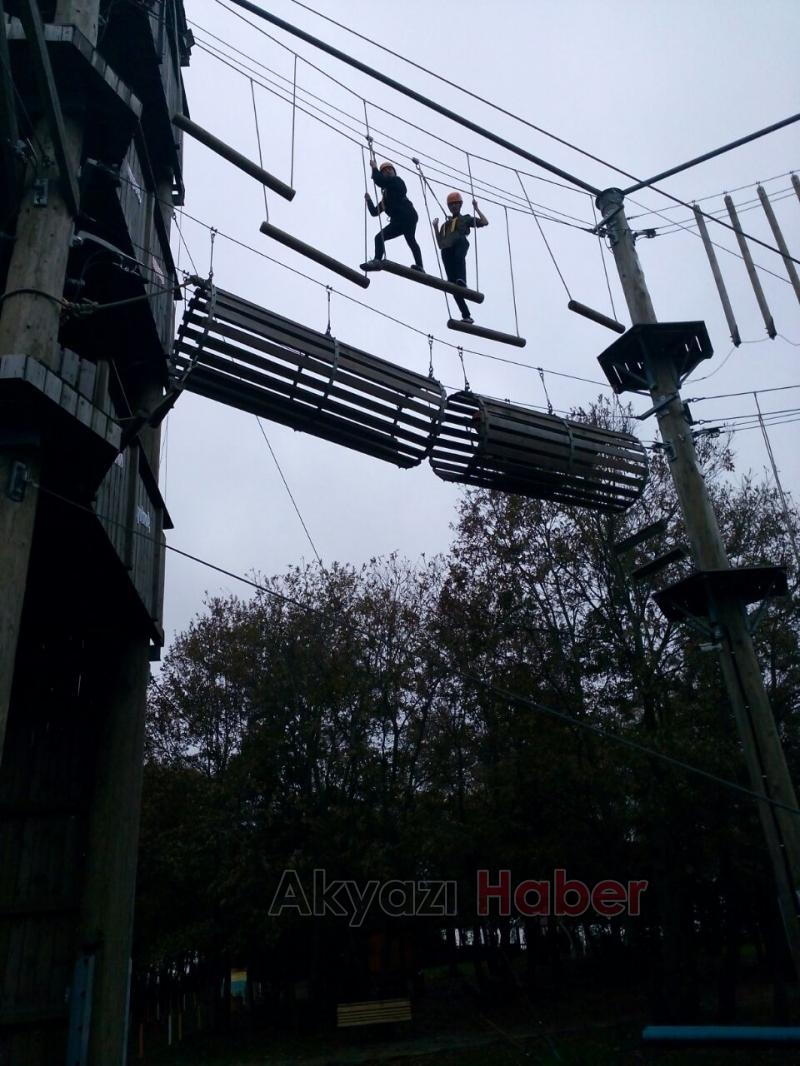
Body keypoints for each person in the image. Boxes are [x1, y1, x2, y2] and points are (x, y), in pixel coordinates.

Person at [433, 192, 488, 323]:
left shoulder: (465, 219)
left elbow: (485, 222)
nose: (454, 207)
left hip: (460, 243)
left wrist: (476, 209)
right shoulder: (445, 225)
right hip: (446, 250)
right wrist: (435, 227)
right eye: (451, 205)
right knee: (453, 286)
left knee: (459, 258)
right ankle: (466, 315)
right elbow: (440, 243)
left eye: (456, 204)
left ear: (460, 205)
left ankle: (462, 280)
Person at [363, 159, 424, 271]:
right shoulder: (386, 199)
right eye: (385, 171)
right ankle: (420, 266)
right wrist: (369, 200)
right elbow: (374, 212)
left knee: (381, 237)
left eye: (390, 169)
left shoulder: (397, 181)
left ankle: (377, 260)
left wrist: (374, 168)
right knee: (409, 240)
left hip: (407, 215)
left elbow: (380, 181)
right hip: (403, 219)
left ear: (394, 173)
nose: (388, 171)